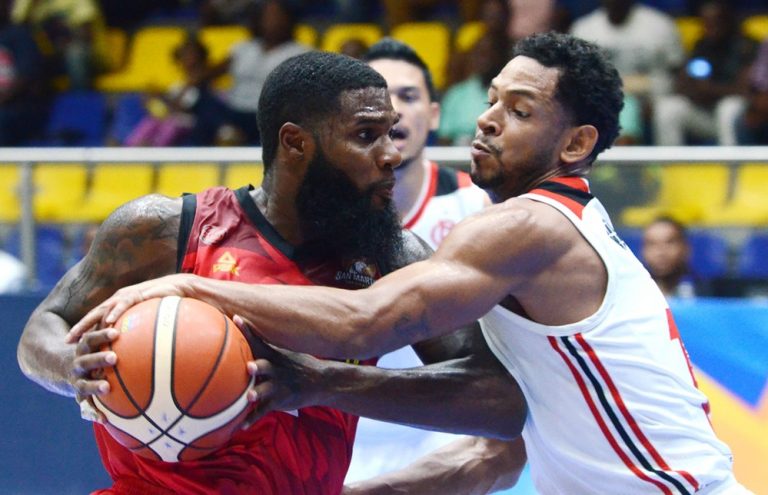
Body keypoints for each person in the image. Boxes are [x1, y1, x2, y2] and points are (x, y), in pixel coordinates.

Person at [78, 32, 749, 494]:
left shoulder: (529, 226)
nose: (487, 120)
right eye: (491, 99)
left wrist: (191, 287)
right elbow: (498, 437)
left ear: (575, 144)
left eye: (519, 111)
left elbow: (364, 321)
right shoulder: (554, 223)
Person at [17, 50, 524, 494]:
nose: (392, 154)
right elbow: (44, 326)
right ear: (295, 143)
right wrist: (69, 365)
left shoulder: (392, 255)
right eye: (366, 136)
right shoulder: (165, 229)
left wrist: (323, 382)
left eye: (390, 133)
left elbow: (498, 402)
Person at [345, 37, 492, 483]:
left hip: (446, 435)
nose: (393, 112)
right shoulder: (311, 214)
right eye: (379, 98)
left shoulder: (479, 208)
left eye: (408, 97)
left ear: (434, 114)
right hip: (334, 424)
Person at [205, 0, 310, 144]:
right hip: (234, 109)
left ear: (288, 19)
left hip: (270, 115)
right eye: (267, 16)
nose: (271, 21)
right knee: (203, 100)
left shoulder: (300, 52)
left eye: (277, 16)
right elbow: (210, 73)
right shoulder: (243, 48)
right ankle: (227, 132)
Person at [653, 0, 756, 146]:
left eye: (716, 21)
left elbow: (744, 91)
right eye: (706, 22)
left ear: (728, 21)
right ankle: (670, 160)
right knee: (668, 107)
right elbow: (681, 85)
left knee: (728, 107)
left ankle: (730, 160)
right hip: (705, 114)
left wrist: (709, 89)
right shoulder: (701, 46)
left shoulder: (746, 47)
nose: (710, 27)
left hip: (737, 117)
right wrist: (693, 90)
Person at [124, 33, 231, 147]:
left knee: (172, 124)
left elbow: (186, 109)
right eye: (184, 57)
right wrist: (152, 100)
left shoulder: (212, 87)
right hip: (173, 117)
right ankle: (131, 148)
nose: (188, 61)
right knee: (152, 121)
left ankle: (156, 150)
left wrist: (162, 97)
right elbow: (167, 107)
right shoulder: (177, 86)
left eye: (192, 57)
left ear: (203, 59)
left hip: (194, 123)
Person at [642, 216, 709, 299]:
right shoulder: (632, 293)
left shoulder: (710, 292)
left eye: (669, 243)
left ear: (685, 248)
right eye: (652, 244)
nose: (661, 252)